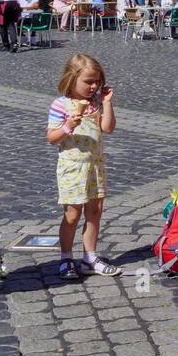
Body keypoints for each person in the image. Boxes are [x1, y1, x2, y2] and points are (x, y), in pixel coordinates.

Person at [46, 53, 120, 281]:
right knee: (72, 214)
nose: (94, 86)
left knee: (95, 212)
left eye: (97, 81)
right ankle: (66, 257)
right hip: (72, 167)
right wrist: (68, 125)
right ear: (71, 79)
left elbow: (108, 128)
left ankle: (90, 258)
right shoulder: (61, 105)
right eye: (88, 81)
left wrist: (107, 104)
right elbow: (52, 137)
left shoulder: (97, 103)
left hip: (95, 166)